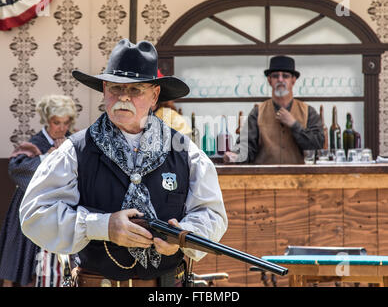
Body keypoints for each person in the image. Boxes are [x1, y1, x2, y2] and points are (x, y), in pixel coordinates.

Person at [19, 39, 227, 287]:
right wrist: (102, 226)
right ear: (105, 89)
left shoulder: (186, 152)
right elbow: (35, 214)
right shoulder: (74, 151)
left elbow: (212, 214)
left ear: (154, 96)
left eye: (136, 90)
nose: (124, 98)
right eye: (115, 88)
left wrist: (181, 237)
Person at [0, 94, 77, 287]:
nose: (61, 128)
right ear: (47, 120)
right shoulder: (35, 144)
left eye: (66, 122)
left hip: (63, 206)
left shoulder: (73, 141)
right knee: (21, 256)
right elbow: (16, 169)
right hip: (32, 205)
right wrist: (49, 157)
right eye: (56, 122)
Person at [224, 56, 324, 164]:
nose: (280, 79)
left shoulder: (308, 111)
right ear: (269, 80)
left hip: (299, 178)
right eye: (275, 76)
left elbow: (318, 143)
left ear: (293, 80)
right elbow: (246, 146)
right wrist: (235, 156)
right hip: (264, 178)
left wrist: (294, 125)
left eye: (285, 76)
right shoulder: (258, 112)